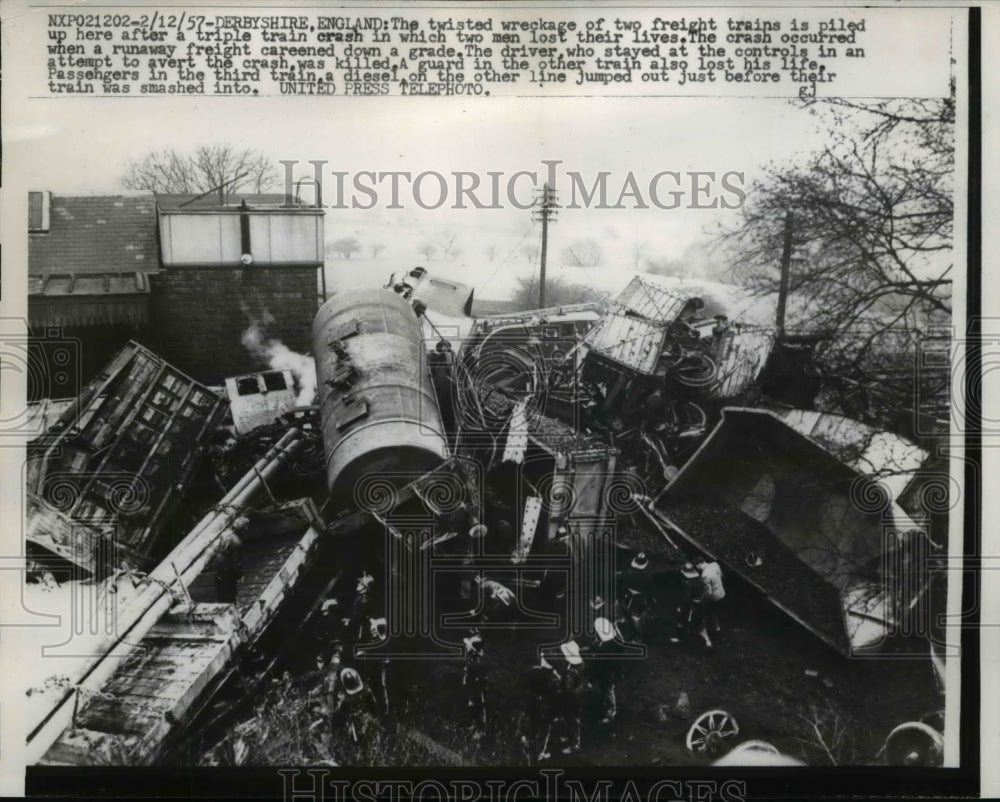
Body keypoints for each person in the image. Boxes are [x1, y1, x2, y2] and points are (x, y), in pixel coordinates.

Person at [522, 651, 561, 762]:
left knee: (533, 726)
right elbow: (557, 698)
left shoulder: (534, 672)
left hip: (533, 703)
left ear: (545, 662)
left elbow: (525, 680)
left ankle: (529, 745)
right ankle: (540, 752)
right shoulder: (555, 679)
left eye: (543, 659)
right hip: (547, 707)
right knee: (545, 730)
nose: (541, 660)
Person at [670, 563, 713, 650]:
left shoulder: (688, 583)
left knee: (681, 621)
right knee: (700, 624)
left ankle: (680, 637)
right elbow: (707, 591)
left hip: (690, 606)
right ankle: (708, 641)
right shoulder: (701, 580)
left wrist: (680, 607)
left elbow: (686, 598)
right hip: (700, 604)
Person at [589, 617, 624, 724]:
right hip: (613, 671)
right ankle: (609, 709)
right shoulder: (615, 642)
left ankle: (610, 714)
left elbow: (597, 664)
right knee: (608, 691)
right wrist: (616, 628)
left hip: (606, 673)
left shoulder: (603, 649)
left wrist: (592, 677)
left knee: (607, 692)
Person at [557, 640, 586, 754]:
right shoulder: (581, 664)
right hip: (578, 696)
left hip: (571, 699)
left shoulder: (570, 671)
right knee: (573, 719)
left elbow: (567, 688)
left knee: (571, 719)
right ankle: (571, 738)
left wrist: (559, 683)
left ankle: (574, 743)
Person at [210, 527, 244, 604]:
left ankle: (223, 604)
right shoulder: (236, 542)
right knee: (231, 590)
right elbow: (236, 561)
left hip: (220, 567)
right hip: (228, 570)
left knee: (221, 591)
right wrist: (240, 575)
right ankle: (232, 605)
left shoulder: (223, 536)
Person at [463, 632, 488, 740]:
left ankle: (481, 731)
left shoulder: (477, 662)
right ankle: (475, 726)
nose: (466, 647)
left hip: (476, 687)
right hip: (472, 686)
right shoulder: (472, 658)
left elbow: (481, 676)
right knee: (472, 707)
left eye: (468, 646)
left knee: (477, 707)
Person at [695, 555, 725, 634]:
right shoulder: (715, 564)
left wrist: (701, 599)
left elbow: (708, 592)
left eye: (697, 566)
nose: (697, 568)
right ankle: (717, 627)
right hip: (721, 592)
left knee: (710, 612)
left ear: (699, 564)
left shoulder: (704, 575)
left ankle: (714, 628)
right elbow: (721, 575)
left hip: (714, 597)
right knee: (715, 610)